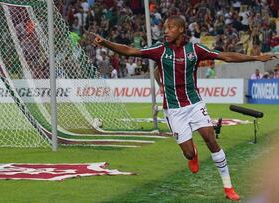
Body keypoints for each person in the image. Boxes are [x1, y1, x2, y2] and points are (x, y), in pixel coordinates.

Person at [89, 15, 277, 201]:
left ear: (181, 29)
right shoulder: (160, 49)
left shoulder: (195, 49)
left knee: (211, 139)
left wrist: (257, 58)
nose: (165, 31)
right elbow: (130, 51)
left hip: (194, 103)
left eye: (170, 27)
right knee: (188, 153)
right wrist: (105, 43)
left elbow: (225, 56)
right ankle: (192, 154)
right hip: (173, 109)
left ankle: (228, 187)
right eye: (164, 27)